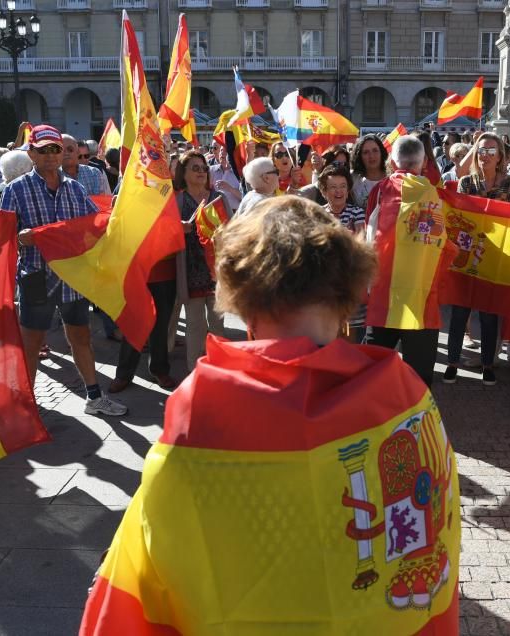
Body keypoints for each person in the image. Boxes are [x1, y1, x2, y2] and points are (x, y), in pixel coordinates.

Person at [80, 195, 460, 634]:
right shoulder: (404, 392)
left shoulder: (205, 404)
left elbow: (158, 540)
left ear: (244, 298)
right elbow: (436, 528)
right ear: (347, 292)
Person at [1, 125, 127, 417]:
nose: (50, 155)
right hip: (36, 276)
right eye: (42, 150)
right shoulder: (16, 190)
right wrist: (22, 236)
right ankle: (26, 405)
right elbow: (4, 235)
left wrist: (115, 217)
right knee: (32, 342)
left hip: (73, 276)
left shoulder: (75, 188)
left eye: (55, 149)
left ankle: (94, 397)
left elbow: (91, 227)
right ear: (30, 153)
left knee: (81, 336)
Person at [365, 135, 456, 387]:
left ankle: (371, 419)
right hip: (423, 295)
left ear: (392, 162)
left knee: (371, 371)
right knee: (419, 377)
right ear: (424, 162)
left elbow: (369, 235)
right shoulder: (438, 196)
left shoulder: (380, 191)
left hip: (386, 293)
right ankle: (417, 422)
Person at [442, 133, 510, 386]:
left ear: (500, 157)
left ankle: (488, 364)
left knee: (488, 314)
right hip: (467, 252)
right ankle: (452, 363)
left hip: (496, 254)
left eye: (490, 151)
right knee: (459, 311)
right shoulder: (466, 182)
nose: (485, 155)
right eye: (481, 150)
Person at [166, 151, 226, 376]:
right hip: (189, 271)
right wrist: (177, 228)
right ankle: (196, 373)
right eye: (195, 168)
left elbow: (231, 231)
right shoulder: (177, 199)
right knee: (195, 326)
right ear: (184, 173)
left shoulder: (218, 197)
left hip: (216, 272)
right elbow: (163, 232)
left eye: (204, 168)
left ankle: (221, 369)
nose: (201, 172)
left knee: (218, 325)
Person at [319, 165, 366, 343]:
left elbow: (361, 243)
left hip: (352, 284)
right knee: (328, 341)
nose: (338, 191)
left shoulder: (358, 212)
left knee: (353, 343)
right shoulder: (318, 214)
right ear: (324, 191)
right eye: (333, 187)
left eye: (343, 186)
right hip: (326, 288)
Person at [350, 133, 388, 208]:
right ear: (359, 156)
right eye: (366, 152)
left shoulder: (393, 177)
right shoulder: (353, 178)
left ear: (381, 152)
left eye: (375, 150)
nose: (371, 156)